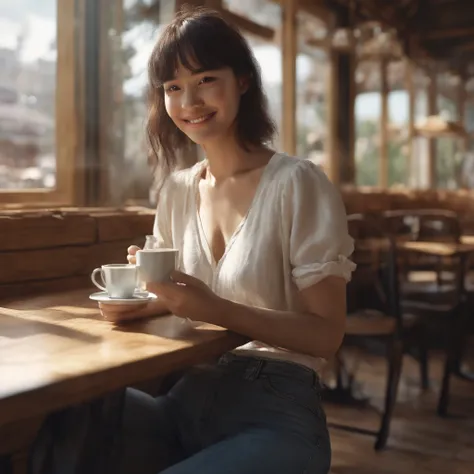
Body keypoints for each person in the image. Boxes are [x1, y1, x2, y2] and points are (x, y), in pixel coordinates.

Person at [68, 6, 355, 474]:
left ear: (242, 80)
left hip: (275, 409)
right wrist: (146, 301)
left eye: (205, 79)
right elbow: (191, 297)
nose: (189, 102)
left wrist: (216, 311)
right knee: (71, 413)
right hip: (185, 398)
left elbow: (327, 333)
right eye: (173, 88)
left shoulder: (298, 183)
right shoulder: (177, 189)